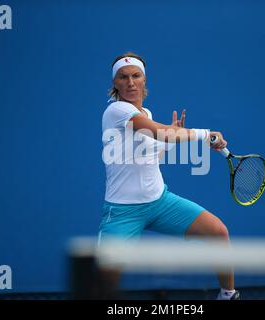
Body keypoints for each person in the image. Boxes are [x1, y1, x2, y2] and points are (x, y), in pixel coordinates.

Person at [99, 52, 240, 300]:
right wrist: (204, 135)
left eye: (136, 76)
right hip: (122, 211)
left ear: (144, 80)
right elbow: (161, 134)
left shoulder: (147, 114)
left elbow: (153, 150)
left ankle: (228, 295)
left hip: (160, 202)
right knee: (103, 280)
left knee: (219, 232)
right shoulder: (116, 111)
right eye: (123, 77)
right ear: (115, 84)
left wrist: (172, 137)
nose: (130, 82)